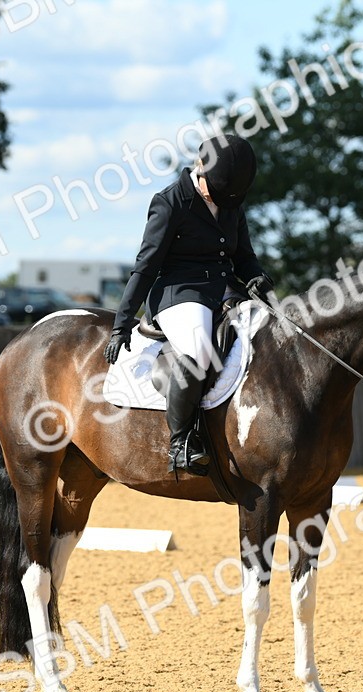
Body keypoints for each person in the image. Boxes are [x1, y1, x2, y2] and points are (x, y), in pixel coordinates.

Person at [103, 134, 273, 475]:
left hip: (223, 289)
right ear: (200, 167)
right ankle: (180, 443)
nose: (221, 201)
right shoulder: (170, 202)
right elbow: (146, 266)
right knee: (198, 352)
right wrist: (121, 324)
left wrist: (256, 277)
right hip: (179, 291)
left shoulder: (230, 201)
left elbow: (244, 257)